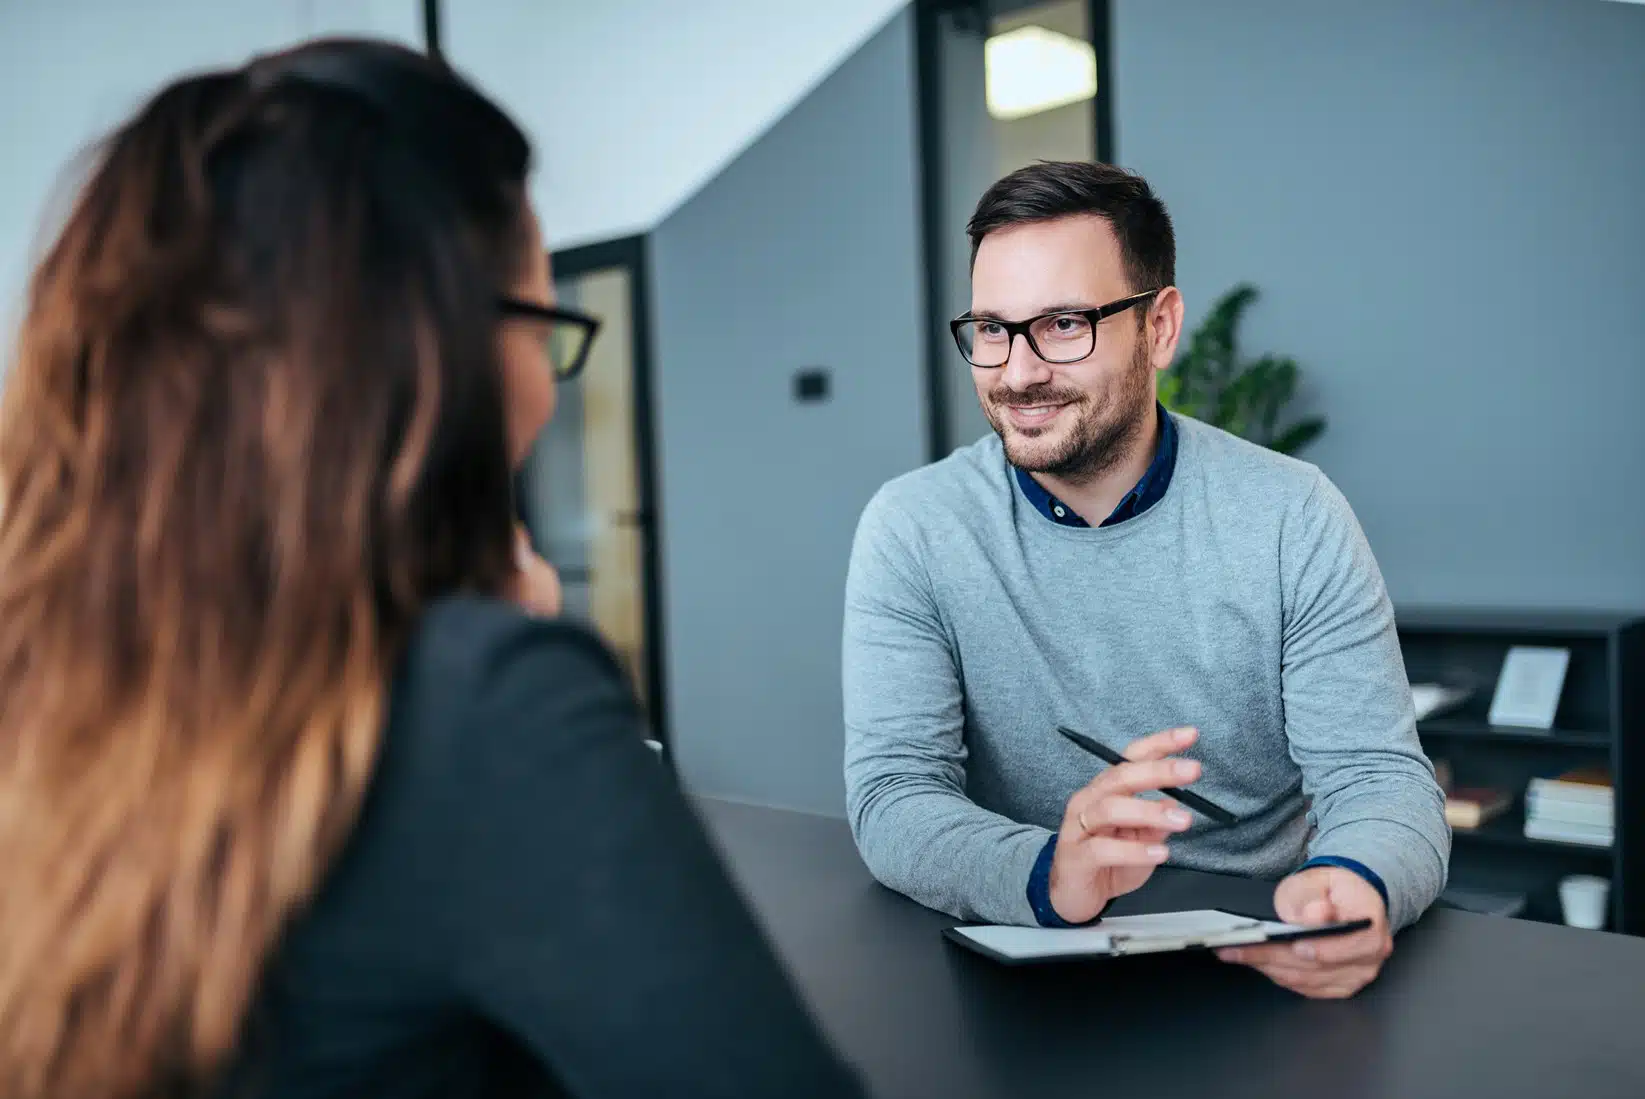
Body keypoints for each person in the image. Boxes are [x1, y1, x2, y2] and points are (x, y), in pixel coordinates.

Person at [0, 40, 865, 1099]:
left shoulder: (47, 674)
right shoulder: (478, 707)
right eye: (547, 327)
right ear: (436, 350)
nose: (547, 395)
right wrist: (516, 659)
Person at [843, 160, 1448, 1000]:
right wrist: (1049, 868)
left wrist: (1354, 881)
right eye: (990, 328)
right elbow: (895, 796)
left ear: (1159, 327)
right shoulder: (913, 526)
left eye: (1061, 324)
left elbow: (1377, 779)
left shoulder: (1290, 513)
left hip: (1259, 953)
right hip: (1025, 959)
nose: (1016, 371)